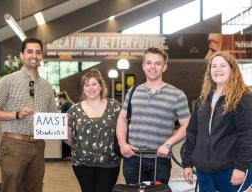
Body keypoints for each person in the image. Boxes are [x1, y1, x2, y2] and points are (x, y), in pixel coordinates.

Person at [116, 47, 190, 185]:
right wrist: (122, 144)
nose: (153, 67)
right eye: (149, 63)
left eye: (158, 63)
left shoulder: (177, 95)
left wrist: (168, 144)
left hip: (160, 160)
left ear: (164, 67)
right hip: (133, 158)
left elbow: (187, 125)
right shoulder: (133, 91)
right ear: (143, 66)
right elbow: (122, 118)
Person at [183, 51, 252, 192]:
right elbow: (192, 133)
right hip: (204, 172)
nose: (217, 69)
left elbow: (248, 136)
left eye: (222, 65)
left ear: (232, 70)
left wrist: (240, 167)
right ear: (209, 71)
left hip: (230, 170)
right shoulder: (204, 99)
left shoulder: (242, 98)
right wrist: (187, 163)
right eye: (214, 66)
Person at [0, 37, 57, 192]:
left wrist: (63, 120)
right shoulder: (8, 81)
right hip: (14, 144)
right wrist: (17, 114)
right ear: (21, 55)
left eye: (38, 52)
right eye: (29, 51)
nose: (34, 55)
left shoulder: (47, 86)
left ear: (41, 56)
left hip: (38, 146)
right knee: (12, 188)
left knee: (35, 188)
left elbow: (52, 116)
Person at [67, 68, 122, 192]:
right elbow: (67, 135)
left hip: (110, 163)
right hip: (82, 164)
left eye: (94, 84)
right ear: (83, 88)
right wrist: (79, 147)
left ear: (101, 86)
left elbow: (124, 130)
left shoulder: (115, 107)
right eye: (87, 85)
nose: (90, 88)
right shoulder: (74, 110)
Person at [58, 91, 74, 160]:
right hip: (67, 124)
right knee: (67, 139)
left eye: (59, 99)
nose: (59, 100)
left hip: (67, 125)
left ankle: (69, 155)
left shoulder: (66, 104)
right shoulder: (68, 103)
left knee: (67, 140)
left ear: (61, 98)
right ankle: (68, 155)